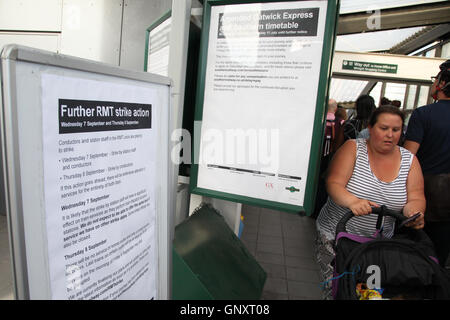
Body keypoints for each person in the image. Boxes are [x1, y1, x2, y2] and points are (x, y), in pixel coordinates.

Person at [315, 105, 426, 299]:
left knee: (369, 294)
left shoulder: (410, 160)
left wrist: (414, 213)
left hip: (377, 245)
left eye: (396, 130)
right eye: (384, 128)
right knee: (338, 292)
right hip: (335, 238)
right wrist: (352, 201)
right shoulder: (353, 148)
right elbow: (333, 183)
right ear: (370, 127)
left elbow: (415, 197)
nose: (390, 135)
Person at [404, 59, 450, 268]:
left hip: (421, 195)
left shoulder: (424, 114)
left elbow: (408, 156)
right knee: (438, 257)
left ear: (441, 84)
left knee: (411, 253)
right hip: (447, 205)